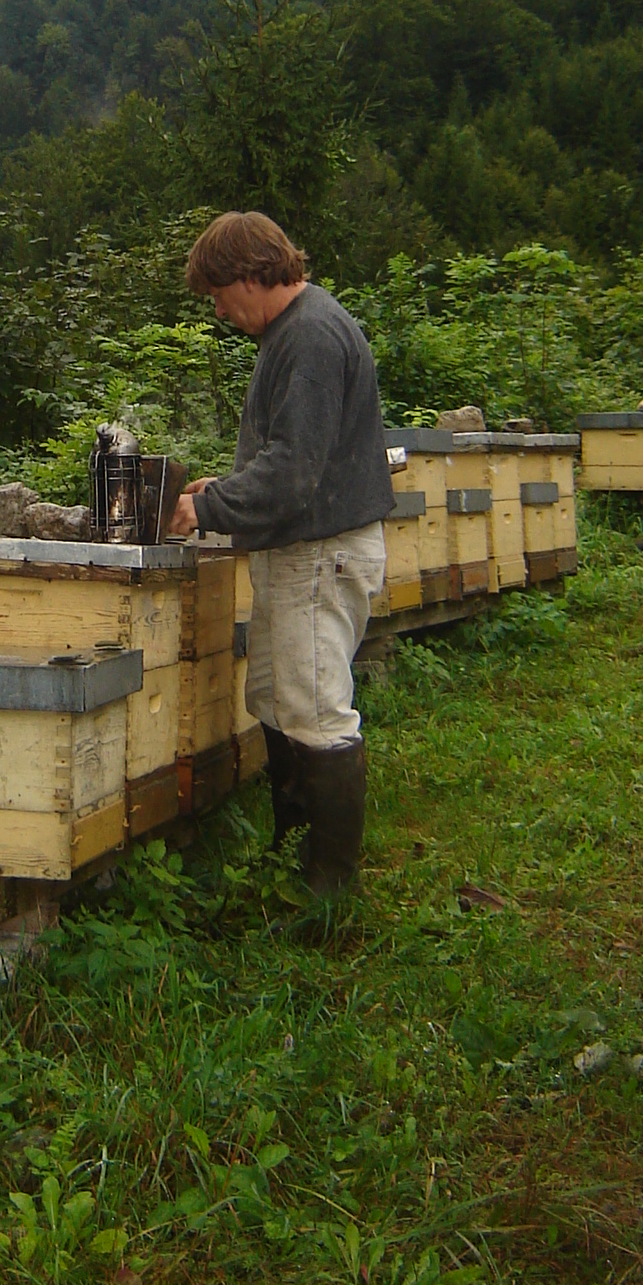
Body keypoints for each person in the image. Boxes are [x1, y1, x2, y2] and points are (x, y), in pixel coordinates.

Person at [167, 211, 394, 892]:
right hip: (301, 552)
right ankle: (292, 857)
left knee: (315, 710)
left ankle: (329, 889)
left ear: (250, 274)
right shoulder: (292, 333)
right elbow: (290, 458)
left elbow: (296, 472)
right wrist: (229, 486)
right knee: (275, 697)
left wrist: (207, 507)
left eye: (217, 293)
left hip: (320, 554)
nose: (217, 309)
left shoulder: (314, 338)